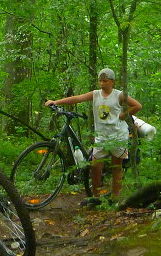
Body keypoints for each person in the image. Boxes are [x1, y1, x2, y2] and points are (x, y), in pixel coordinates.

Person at [45, 68, 141, 205]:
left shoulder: (119, 95)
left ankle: (115, 198)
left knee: (116, 167)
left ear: (112, 82)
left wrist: (123, 114)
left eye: (105, 81)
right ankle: (95, 197)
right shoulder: (96, 94)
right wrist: (57, 102)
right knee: (95, 166)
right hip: (101, 136)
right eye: (100, 81)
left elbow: (137, 106)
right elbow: (77, 98)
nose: (102, 84)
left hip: (118, 135)